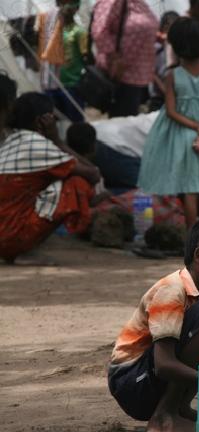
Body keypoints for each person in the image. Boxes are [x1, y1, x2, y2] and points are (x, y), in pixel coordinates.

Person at [107, 218, 199, 432]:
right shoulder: (171, 290)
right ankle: (163, 417)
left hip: (155, 379)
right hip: (132, 383)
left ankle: (180, 408)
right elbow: (164, 365)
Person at [137, 17, 199, 228]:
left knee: (190, 187)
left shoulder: (173, 76)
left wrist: (197, 128)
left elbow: (171, 111)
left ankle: (192, 234)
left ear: (176, 45)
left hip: (185, 134)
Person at [0, 84, 100, 264]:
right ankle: (24, 250)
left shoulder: (9, 141)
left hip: (5, 230)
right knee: (77, 183)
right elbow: (93, 174)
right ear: (42, 121)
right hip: (11, 236)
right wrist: (57, 141)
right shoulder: (37, 144)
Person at [91, 0, 158, 117]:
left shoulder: (139, 4)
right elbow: (99, 31)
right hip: (121, 75)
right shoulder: (113, 2)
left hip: (138, 75)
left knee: (129, 120)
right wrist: (114, 57)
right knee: (122, 121)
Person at [36, 0, 86, 122]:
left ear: (76, 8)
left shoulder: (78, 31)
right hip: (50, 83)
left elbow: (86, 58)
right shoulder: (48, 24)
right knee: (51, 121)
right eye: (62, 4)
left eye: (70, 5)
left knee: (74, 121)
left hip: (71, 85)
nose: (65, 8)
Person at [148, 11, 180, 112]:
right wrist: (164, 90)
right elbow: (151, 73)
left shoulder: (180, 49)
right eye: (168, 27)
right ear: (162, 28)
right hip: (158, 97)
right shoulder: (156, 48)